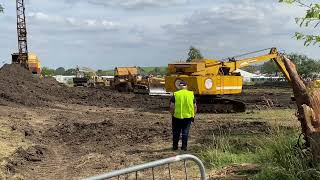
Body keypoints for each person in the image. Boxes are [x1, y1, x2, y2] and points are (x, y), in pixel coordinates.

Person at [169, 81, 197, 151]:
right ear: (186, 86)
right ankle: (184, 147)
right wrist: (193, 115)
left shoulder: (175, 94)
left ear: (179, 87)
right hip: (188, 117)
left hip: (176, 117)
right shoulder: (191, 94)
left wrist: (172, 114)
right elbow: (195, 107)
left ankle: (175, 147)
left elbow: (172, 106)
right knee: (185, 132)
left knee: (176, 132)